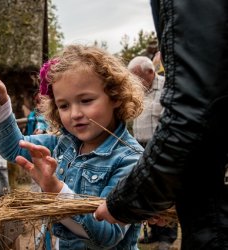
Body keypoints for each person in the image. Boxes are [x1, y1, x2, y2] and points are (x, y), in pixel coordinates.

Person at [0, 44, 145, 249]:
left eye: (86, 100)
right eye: (64, 105)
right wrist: (0, 107)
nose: (74, 114)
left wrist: (57, 191)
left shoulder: (131, 160)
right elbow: (15, 148)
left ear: (115, 96)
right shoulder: (62, 144)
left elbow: (107, 236)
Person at [94, 0, 228, 249]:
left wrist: (128, 201)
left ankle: (166, 237)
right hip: (161, 152)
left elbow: (189, 117)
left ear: (149, 73)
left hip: (170, 150)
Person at [128, 56, 177, 249]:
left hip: (160, 148)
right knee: (146, 192)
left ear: (150, 72)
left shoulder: (167, 87)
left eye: (137, 77)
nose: (135, 82)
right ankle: (152, 233)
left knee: (164, 191)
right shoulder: (137, 91)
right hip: (139, 146)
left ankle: (167, 237)